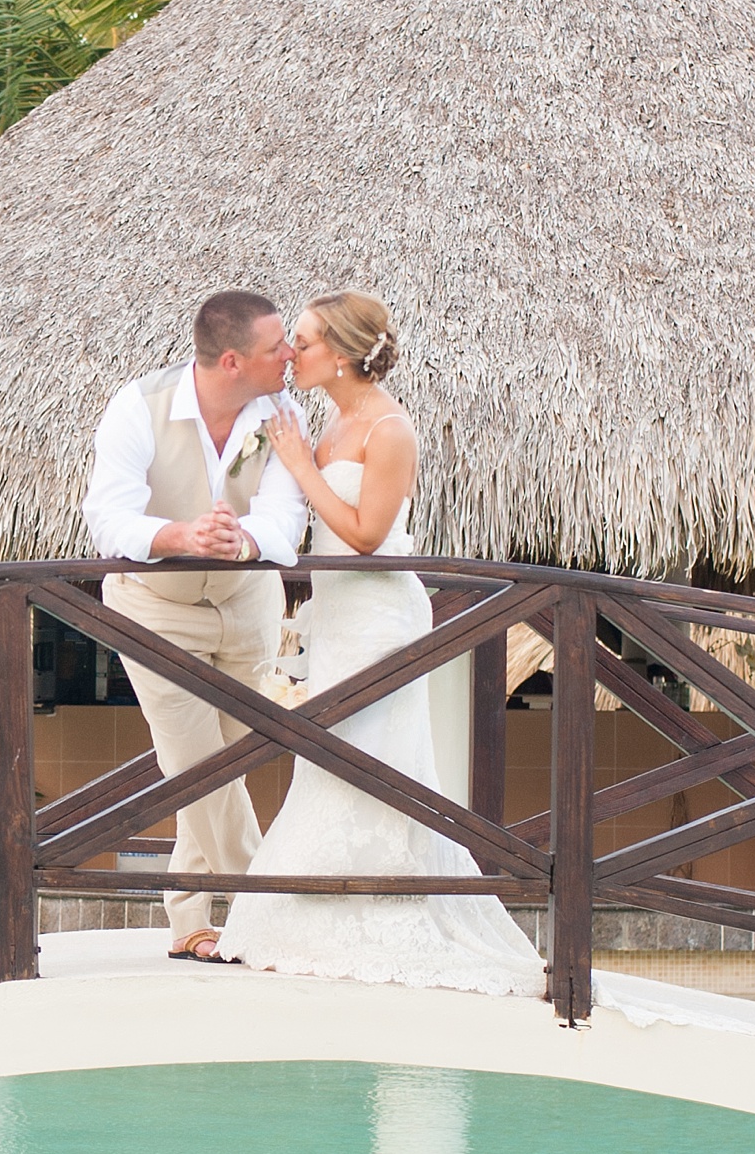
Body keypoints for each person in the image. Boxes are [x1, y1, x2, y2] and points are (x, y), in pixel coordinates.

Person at [217, 292, 544, 995]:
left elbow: (367, 535)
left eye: (302, 342)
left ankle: (389, 900)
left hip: (380, 619)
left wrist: (303, 468)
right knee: (329, 763)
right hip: (334, 620)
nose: (291, 354)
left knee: (377, 759)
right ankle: (318, 906)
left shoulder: (390, 429)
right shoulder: (328, 425)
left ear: (339, 351)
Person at [83, 290, 309, 959]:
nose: (291, 355)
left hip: (248, 608)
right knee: (197, 762)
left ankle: (190, 921)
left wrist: (239, 541)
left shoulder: (280, 414)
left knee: (218, 766)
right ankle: (276, 911)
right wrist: (182, 533)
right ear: (234, 360)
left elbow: (284, 517)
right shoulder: (137, 408)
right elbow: (107, 517)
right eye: (278, 347)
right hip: (155, 609)